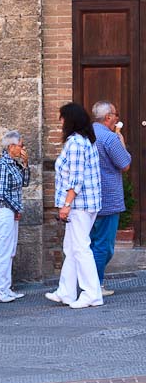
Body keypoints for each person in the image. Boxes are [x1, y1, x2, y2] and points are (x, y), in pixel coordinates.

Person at [46, 102, 103, 309]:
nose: (59, 122)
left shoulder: (76, 143)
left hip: (79, 204)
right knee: (71, 247)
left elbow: (76, 179)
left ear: (69, 119)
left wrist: (66, 205)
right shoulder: (84, 140)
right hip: (84, 203)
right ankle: (66, 291)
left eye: (62, 117)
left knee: (80, 248)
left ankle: (92, 293)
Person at [89, 101, 131, 296]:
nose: (117, 118)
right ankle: (95, 285)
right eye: (115, 114)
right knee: (104, 246)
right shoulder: (110, 138)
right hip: (108, 199)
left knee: (89, 243)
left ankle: (87, 282)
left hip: (88, 199)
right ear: (107, 117)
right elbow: (124, 164)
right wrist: (122, 143)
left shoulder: (85, 135)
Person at [0, 130, 31, 303]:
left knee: (10, 250)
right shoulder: (2, 165)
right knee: (3, 250)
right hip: (5, 211)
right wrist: (16, 209)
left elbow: (25, 182)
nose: (23, 148)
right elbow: (0, 194)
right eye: (21, 145)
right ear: (11, 146)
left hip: (12, 210)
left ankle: (6, 288)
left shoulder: (14, 164)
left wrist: (26, 164)